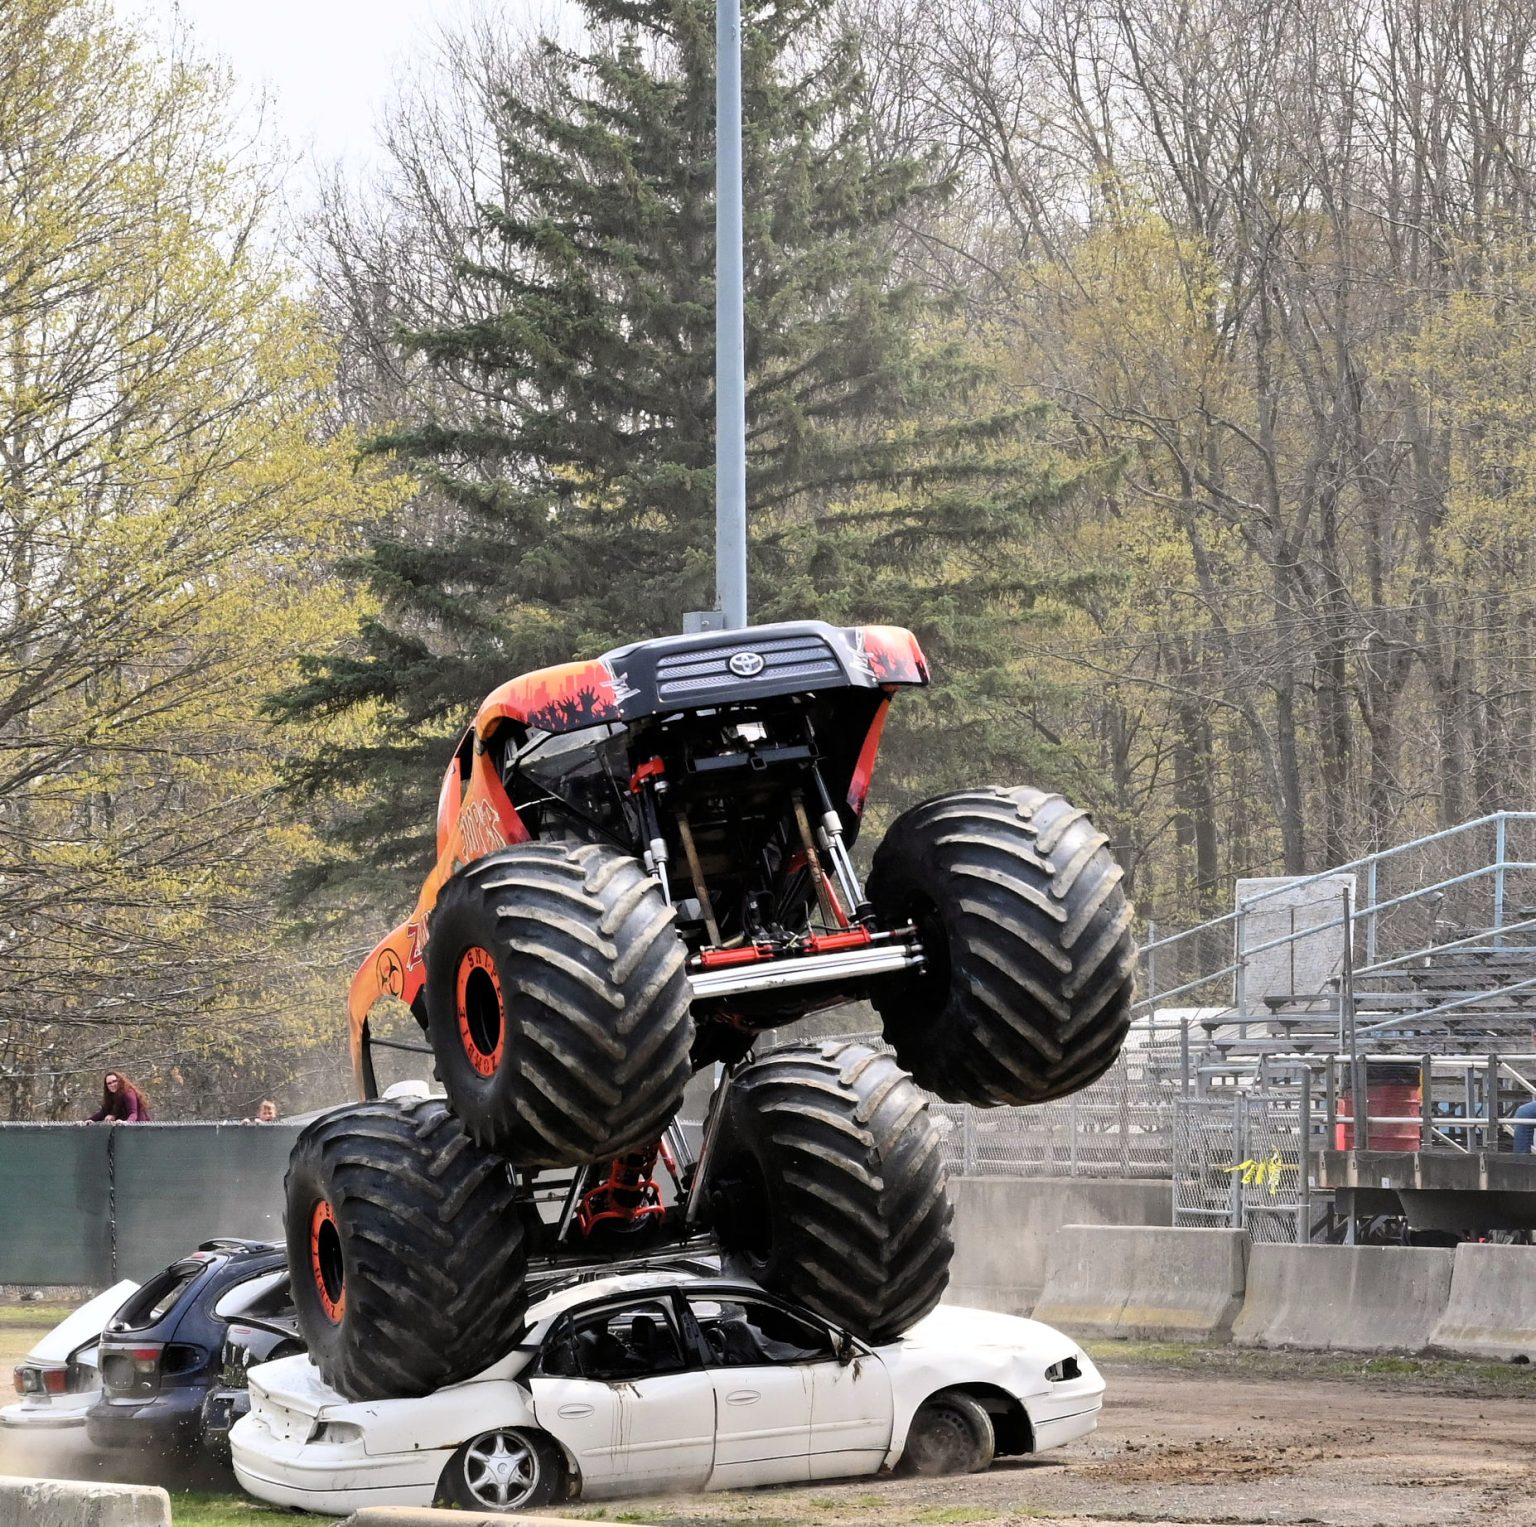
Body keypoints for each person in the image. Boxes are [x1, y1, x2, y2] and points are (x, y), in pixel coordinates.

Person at [86, 1071, 151, 1122]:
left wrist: (126, 1123)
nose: (112, 1085)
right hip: (123, 1131)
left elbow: (133, 1114)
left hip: (139, 1129)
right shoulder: (111, 1097)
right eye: (109, 1083)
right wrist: (87, 1121)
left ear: (120, 1081)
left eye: (114, 1081)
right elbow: (103, 1113)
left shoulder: (128, 1093)